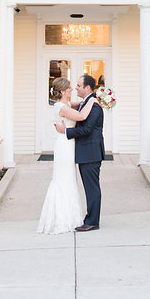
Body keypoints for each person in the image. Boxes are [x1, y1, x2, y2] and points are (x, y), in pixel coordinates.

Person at [37, 77, 97, 234]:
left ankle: (71, 216)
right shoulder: (61, 107)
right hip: (65, 146)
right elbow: (82, 116)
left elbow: (79, 104)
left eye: (75, 86)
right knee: (64, 179)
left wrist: (94, 97)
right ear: (63, 91)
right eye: (70, 87)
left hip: (70, 145)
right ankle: (62, 219)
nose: (73, 89)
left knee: (70, 179)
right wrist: (93, 101)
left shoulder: (67, 104)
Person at [55, 73, 104, 231]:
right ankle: (89, 218)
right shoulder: (86, 102)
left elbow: (87, 129)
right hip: (83, 152)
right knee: (88, 187)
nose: (75, 88)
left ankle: (92, 222)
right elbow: (76, 110)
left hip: (90, 153)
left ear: (87, 87)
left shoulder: (94, 105)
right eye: (73, 86)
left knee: (92, 188)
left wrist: (66, 132)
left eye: (78, 86)